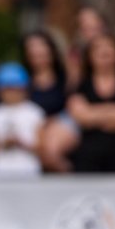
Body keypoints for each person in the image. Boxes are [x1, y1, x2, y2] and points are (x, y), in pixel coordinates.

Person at [67, 34, 115, 173]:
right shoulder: (82, 85)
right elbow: (82, 118)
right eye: (98, 48)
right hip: (88, 157)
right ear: (89, 55)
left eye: (109, 47)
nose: (104, 52)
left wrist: (94, 112)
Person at [19, 31, 75, 172]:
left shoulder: (66, 76)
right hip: (34, 125)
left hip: (62, 122)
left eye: (41, 47)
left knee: (49, 152)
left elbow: (72, 104)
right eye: (32, 48)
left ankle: (73, 179)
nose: (37, 52)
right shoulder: (23, 80)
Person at [0, 63, 45, 178]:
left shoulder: (35, 113)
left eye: (16, 88)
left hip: (29, 173)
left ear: (24, 89)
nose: (12, 93)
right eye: (7, 89)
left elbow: (43, 150)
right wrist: (3, 143)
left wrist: (21, 144)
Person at [67, 6, 107, 86]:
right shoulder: (75, 52)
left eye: (94, 28)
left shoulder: (113, 49)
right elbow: (73, 82)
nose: (92, 35)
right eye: (86, 29)